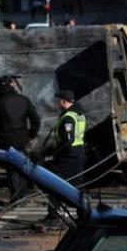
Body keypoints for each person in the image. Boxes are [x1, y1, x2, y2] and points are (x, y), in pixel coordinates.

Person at [0, 76, 41, 200]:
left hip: (6, 141)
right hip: (22, 139)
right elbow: (36, 119)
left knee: (11, 169)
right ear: (12, 85)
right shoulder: (24, 100)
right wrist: (31, 134)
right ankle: (23, 194)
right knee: (22, 165)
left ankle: (17, 197)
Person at [44, 90, 87, 220]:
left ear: (64, 101)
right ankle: (84, 213)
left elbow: (68, 140)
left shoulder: (68, 117)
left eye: (59, 100)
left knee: (54, 183)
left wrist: (54, 154)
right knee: (78, 185)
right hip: (78, 154)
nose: (57, 102)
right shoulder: (79, 114)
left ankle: (53, 214)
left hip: (67, 157)